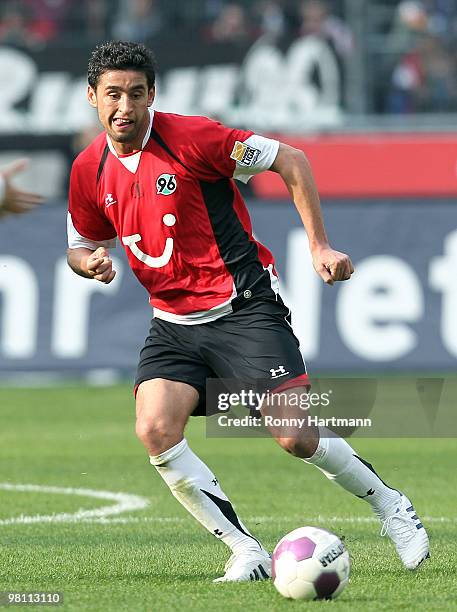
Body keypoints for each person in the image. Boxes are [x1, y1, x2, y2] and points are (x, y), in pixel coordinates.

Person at [66, 41, 429, 582]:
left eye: (136, 94)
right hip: (173, 324)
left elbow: (291, 159)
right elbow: (79, 242)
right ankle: (246, 551)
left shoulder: (194, 139)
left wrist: (319, 247)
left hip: (242, 309)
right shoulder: (88, 170)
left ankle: (391, 505)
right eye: (113, 94)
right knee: (155, 428)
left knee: (296, 437)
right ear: (92, 97)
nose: (124, 106)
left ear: (152, 96)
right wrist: (88, 262)